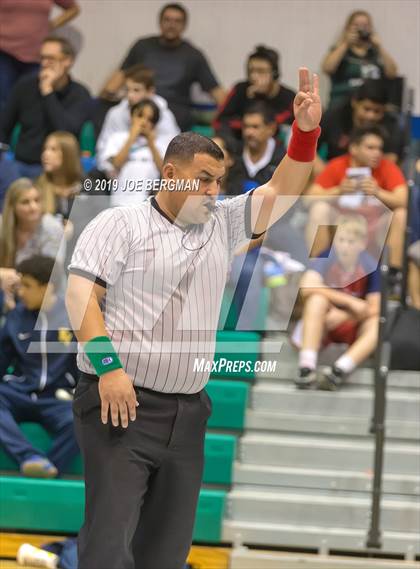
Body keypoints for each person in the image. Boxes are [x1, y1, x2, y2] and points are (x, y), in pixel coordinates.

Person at [65, 67, 321, 569]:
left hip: (188, 413)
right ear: (171, 171)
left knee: (166, 553)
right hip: (121, 403)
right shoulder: (118, 223)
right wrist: (110, 368)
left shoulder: (222, 222)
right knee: (109, 547)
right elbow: (79, 298)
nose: (213, 189)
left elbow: (282, 190)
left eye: (219, 181)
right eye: (203, 179)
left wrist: (305, 132)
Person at [0, 255, 79, 477]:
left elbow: (86, 363)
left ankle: (49, 467)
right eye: (19, 285)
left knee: (82, 421)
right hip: (19, 393)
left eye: (27, 286)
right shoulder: (16, 316)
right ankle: (30, 458)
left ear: (47, 288)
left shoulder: (73, 315)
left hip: (58, 398)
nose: (21, 292)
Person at [99, 3, 225, 131]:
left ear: (184, 26)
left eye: (177, 21)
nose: (171, 25)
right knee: (100, 107)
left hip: (176, 112)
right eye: (167, 20)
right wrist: (105, 95)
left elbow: (217, 92)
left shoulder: (193, 55)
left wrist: (229, 113)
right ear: (160, 22)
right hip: (140, 104)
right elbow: (119, 77)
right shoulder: (142, 46)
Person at [293, 214, 380, 390]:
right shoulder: (326, 257)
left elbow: (374, 307)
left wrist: (345, 315)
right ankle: (306, 367)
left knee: (378, 323)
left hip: (352, 325)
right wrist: (349, 301)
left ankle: (339, 370)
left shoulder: (370, 266)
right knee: (316, 300)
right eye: (340, 240)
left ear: (362, 244)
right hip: (323, 323)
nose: (344, 247)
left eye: (350, 242)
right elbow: (306, 286)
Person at [306, 126, 408, 275]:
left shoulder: (387, 167)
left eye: (379, 149)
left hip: (374, 227)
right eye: (370, 148)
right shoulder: (338, 165)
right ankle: (316, 269)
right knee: (319, 209)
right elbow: (308, 199)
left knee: (401, 214)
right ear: (354, 148)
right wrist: (338, 190)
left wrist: (378, 192)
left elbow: (404, 200)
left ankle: (392, 278)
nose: (377, 153)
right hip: (341, 225)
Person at [0, 36, 91, 178]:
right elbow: (4, 126)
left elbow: (67, 133)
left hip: (59, 169)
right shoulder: (25, 86)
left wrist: (48, 92)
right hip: (22, 165)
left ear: (68, 61)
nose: (44, 63)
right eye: (42, 58)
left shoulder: (80, 94)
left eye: (51, 58)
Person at [96, 64, 180, 175]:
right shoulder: (115, 114)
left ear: (150, 92)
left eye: (136, 90)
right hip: (117, 176)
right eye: (127, 90)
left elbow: (175, 158)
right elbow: (103, 154)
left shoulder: (165, 116)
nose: (130, 96)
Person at [0, 0, 80, 112]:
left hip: (35, 55)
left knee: (29, 103)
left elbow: (73, 9)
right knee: (2, 101)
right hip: (4, 51)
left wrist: (51, 25)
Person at [0, 178, 66, 311]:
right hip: (13, 292)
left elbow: (49, 274)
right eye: (25, 202)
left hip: (46, 297)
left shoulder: (51, 227)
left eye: (37, 200)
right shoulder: (3, 227)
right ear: (13, 207)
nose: (33, 207)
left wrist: (9, 274)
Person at [214, 45, 296, 140]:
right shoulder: (240, 89)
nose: (254, 76)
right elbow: (219, 121)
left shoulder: (288, 97)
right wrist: (251, 101)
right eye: (251, 71)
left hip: (275, 146)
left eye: (261, 71)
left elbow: (277, 123)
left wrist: (260, 99)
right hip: (240, 142)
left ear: (274, 73)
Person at [318, 79, 404, 167]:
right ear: (354, 102)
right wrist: (326, 174)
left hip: (374, 174)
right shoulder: (334, 115)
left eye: (377, 111)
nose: (370, 116)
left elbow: (391, 160)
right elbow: (309, 149)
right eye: (366, 109)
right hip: (335, 170)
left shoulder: (391, 124)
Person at [322, 10, 398, 107]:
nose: (361, 29)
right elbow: (327, 68)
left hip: (371, 105)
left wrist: (380, 47)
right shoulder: (340, 50)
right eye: (356, 25)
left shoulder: (375, 53)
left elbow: (392, 73)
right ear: (348, 28)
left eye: (365, 26)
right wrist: (345, 44)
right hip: (342, 103)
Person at [102, 99, 170, 207]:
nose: (144, 122)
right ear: (131, 116)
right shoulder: (117, 138)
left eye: (150, 119)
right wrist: (131, 138)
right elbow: (116, 164)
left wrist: (151, 144)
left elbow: (164, 172)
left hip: (147, 204)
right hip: (120, 202)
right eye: (140, 116)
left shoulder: (161, 143)